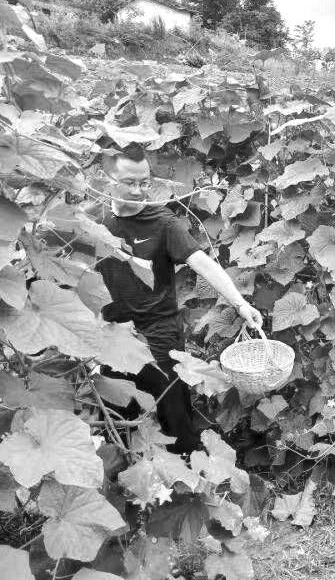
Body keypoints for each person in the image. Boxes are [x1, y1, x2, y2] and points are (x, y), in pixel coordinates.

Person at [86, 154, 263, 454]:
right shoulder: (91, 221)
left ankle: (190, 472)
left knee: (175, 417)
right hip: (110, 335)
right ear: (107, 180)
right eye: (129, 183)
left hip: (159, 335)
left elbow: (202, 263)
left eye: (144, 183)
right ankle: (131, 476)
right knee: (118, 420)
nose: (138, 191)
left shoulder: (163, 222)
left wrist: (240, 304)